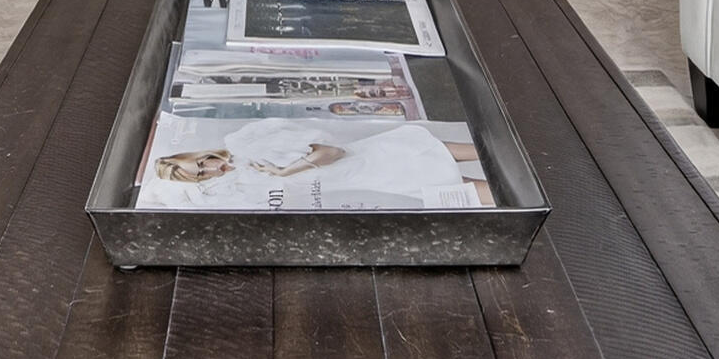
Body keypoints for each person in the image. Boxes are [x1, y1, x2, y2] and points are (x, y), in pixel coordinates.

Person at [145, 118, 492, 209]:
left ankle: (531, 157)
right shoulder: (237, 189)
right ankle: (536, 194)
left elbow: (331, 153)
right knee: (475, 193)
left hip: (371, 158)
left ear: (199, 153)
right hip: (373, 184)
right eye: (201, 176)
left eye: (202, 163)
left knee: (487, 151)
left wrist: (285, 170)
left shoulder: (246, 142)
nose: (210, 170)